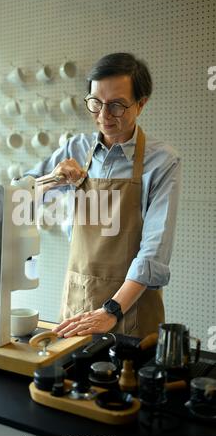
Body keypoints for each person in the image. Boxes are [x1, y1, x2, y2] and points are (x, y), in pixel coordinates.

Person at [24, 52, 181, 339]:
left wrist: (111, 311)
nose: (104, 116)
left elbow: (154, 253)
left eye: (117, 105)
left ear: (141, 104)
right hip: (78, 306)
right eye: (96, 103)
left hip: (132, 310)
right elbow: (18, 201)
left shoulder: (162, 161)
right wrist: (51, 180)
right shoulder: (75, 147)